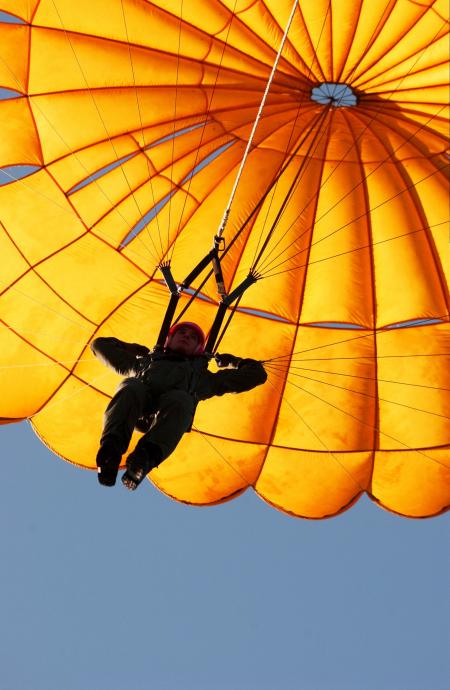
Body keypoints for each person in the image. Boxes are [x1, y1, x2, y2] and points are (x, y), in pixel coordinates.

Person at [90, 321, 267, 490]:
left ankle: (143, 460)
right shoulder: (145, 363)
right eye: (181, 332)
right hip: (139, 407)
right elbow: (99, 345)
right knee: (131, 386)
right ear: (169, 339)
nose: (186, 337)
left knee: (182, 400)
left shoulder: (202, 378)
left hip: (171, 412)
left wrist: (232, 361)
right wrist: (130, 348)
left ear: (198, 349)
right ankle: (110, 451)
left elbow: (256, 374)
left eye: (193, 337)